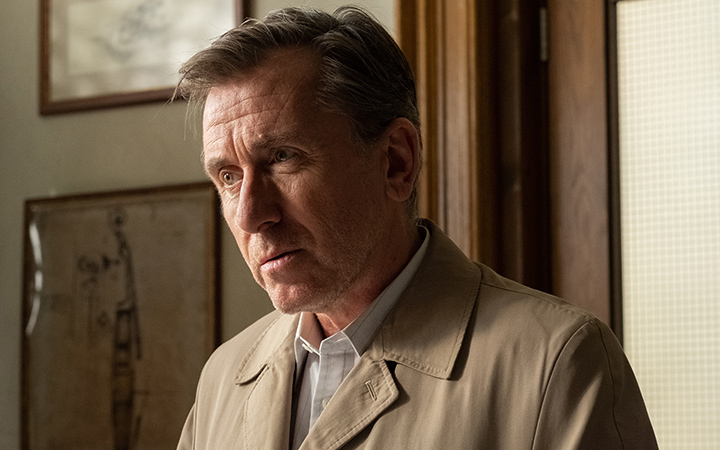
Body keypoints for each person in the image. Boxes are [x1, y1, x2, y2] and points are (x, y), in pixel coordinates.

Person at [175, 6, 657, 450]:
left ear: (396, 162)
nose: (250, 215)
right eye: (229, 177)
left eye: (283, 157)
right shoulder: (223, 377)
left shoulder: (556, 364)